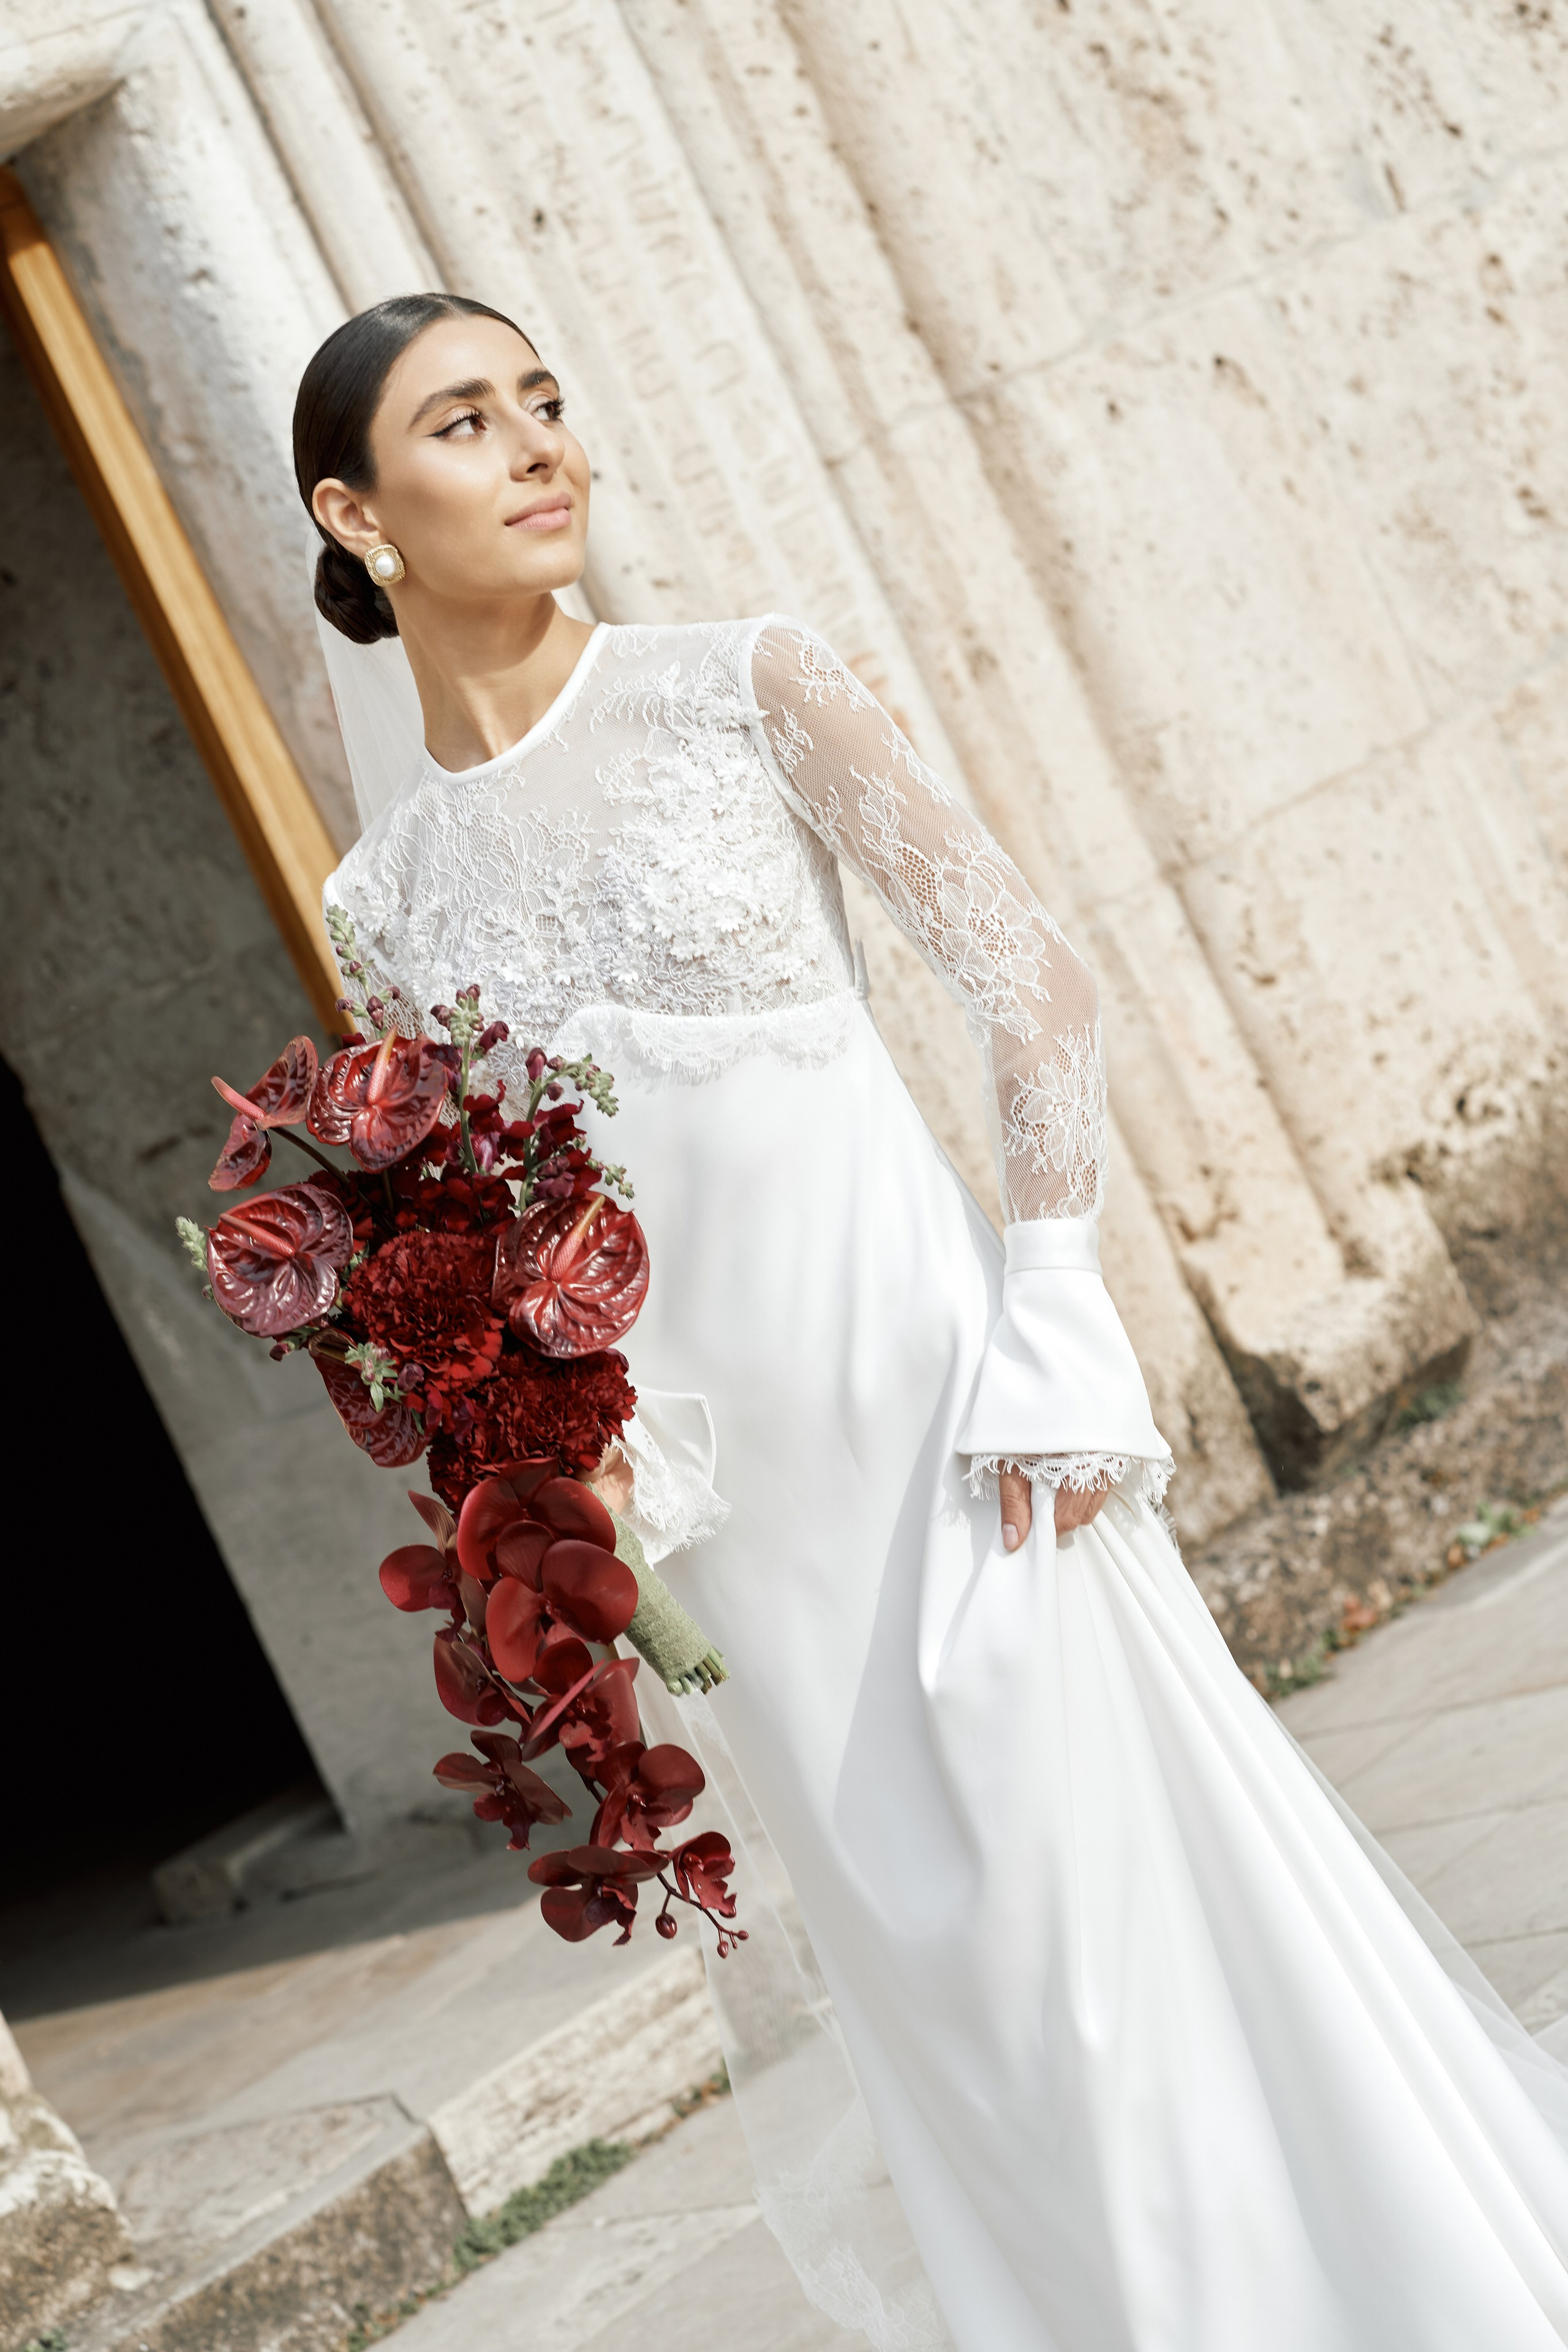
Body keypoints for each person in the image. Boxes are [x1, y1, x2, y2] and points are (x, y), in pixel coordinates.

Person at [296, 292, 1568, 2352]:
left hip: (955, 1421)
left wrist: (1052, 1327)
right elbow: (492, 1248)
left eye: (548, 397)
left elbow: (1033, 984)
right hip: (740, 1521)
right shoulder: (387, 900)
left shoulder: (743, 687)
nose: (543, 444)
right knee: (954, 1995)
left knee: (1102, 1923)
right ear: (359, 514)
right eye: (469, 421)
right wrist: (558, 1487)